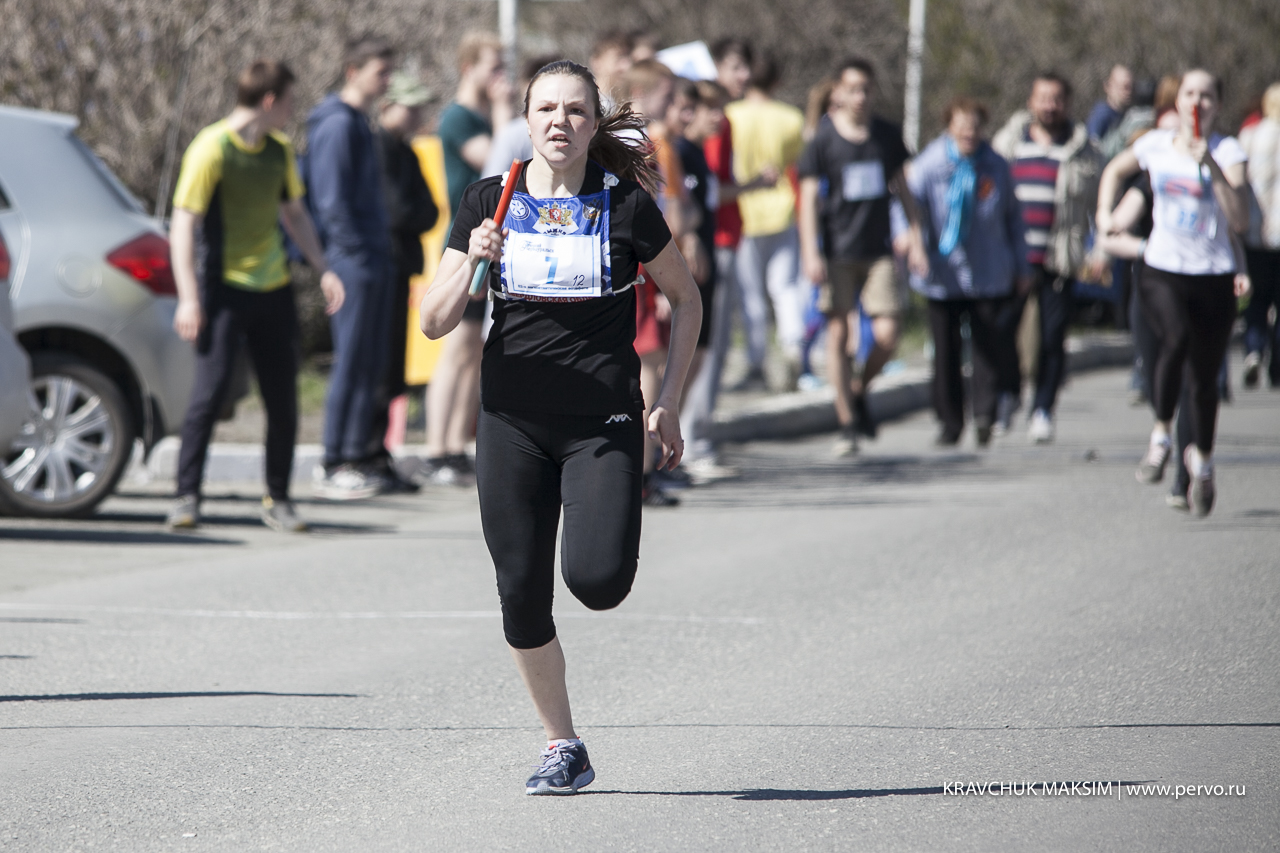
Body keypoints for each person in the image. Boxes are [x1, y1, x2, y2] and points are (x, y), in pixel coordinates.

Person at [419, 60, 701, 794]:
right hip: (511, 420)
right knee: (520, 590)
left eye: (575, 110)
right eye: (546, 108)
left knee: (597, 581)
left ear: (593, 122)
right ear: (525, 118)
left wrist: (669, 397)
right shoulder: (489, 199)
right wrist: (471, 258)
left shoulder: (625, 205)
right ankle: (562, 743)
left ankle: (608, 531)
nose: (560, 122)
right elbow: (432, 321)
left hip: (601, 422)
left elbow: (687, 299)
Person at [167, 60, 345, 531]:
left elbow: (295, 214)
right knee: (209, 394)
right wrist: (189, 297)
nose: (291, 109)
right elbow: (183, 225)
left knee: (282, 399)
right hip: (222, 290)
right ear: (269, 101)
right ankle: (186, 496)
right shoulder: (212, 148)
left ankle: (278, 498)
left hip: (273, 289)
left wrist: (324, 269)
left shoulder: (278, 150)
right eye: (288, 101)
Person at [1098, 69, 1251, 517]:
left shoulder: (1228, 151)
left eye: (1207, 95)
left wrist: (1213, 169)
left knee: (1204, 381)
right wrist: (1105, 213)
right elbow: (1114, 169)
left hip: (1212, 273)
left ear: (1217, 104)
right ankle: (1161, 435)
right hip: (1162, 266)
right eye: (1190, 93)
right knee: (1174, 339)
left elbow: (1240, 220)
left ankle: (1202, 461)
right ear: (1178, 101)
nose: (1197, 102)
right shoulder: (1155, 144)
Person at [798, 57, 927, 455]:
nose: (860, 97)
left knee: (888, 333)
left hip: (878, 251)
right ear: (838, 91)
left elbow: (904, 189)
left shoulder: (886, 135)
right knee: (839, 334)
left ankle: (859, 388)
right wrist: (810, 252)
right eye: (853, 89)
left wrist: (916, 238)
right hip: (836, 251)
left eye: (866, 89)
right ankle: (846, 422)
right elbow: (806, 200)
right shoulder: (822, 140)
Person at [905, 97, 1030, 446]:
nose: (968, 132)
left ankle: (984, 414)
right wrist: (913, 244)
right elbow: (906, 207)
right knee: (945, 351)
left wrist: (1022, 265)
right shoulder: (929, 163)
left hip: (987, 271)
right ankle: (949, 421)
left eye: (975, 126)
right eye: (961, 125)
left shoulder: (996, 165)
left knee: (987, 346)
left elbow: (1014, 218)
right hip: (943, 272)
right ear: (949, 126)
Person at [305, 35, 396, 499]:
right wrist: (354, 254)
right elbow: (330, 201)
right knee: (351, 360)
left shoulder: (360, 122)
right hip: (352, 261)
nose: (387, 81)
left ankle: (355, 456)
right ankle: (334, 459)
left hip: (371, 258)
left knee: (368, 362)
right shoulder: (337, 124)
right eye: (380, 72)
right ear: (353, 71)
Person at [993, 71, 1105, 443]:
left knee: (1052, 338)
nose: (1049, 106)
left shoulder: (1084, 149)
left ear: (1067, 103)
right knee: (1002, 330)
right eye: (1043, 98)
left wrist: (1101, 251)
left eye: (1056, 99)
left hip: (1059, 256)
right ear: (1031, 101)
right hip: (1012, 258)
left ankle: (1043, 408)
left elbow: (1101, 205)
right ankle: (1009, 392)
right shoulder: (1008, 143)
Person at [422, 32, 512, 486]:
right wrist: (503, 109)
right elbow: (495, 158)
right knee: (455, 347)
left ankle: (457, 444)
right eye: (492, 66)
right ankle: (436, 448)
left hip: (490, 240)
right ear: (468, 67)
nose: (499, 76)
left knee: (474, 348)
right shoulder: (458, 117)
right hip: (464, 241)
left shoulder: (481, 115)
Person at [618, 60, 688, 505]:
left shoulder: (649, 140)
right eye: (667, 94)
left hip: (645, 264)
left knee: (652, 363)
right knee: (648, 364)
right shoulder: (637, 144)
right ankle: (641, 472)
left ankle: (644, 470)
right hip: (640, 267)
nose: (673, 102)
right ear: (641, 94)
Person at [371, 73, 439, 490]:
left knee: (392, 367)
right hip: (381, 268)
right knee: (377, 366)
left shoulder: (407, 152)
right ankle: (363, 453)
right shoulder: (377, 148)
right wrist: (413, 213)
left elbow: (431, 211)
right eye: (408, 107)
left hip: (400, 268)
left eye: (419, 108)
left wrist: (414, 213)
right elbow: (397, 210)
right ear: (387, 107)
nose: (416, 116)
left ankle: (379, 455)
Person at [726, 52, 804, 391]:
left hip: (743, 210)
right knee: (786, 287)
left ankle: (757, 362)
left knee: (752, 294)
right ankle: (793, 348)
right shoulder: (791, 118)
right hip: (782, 209)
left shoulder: (731, 115)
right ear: (777, 81)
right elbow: (796, 165)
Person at [1241, 82, 1280, 389]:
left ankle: (1253, 348)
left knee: (1256, 299)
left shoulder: (1251, 136)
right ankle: (1276, 366)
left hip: (1256, 233)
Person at [1087, 64, 1133, 142]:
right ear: (1107, 86)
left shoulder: (1127, 114)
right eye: (1124, 87)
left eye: (1130, 87)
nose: (1128, 92)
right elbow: (1092, 143)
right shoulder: (1101, 115)